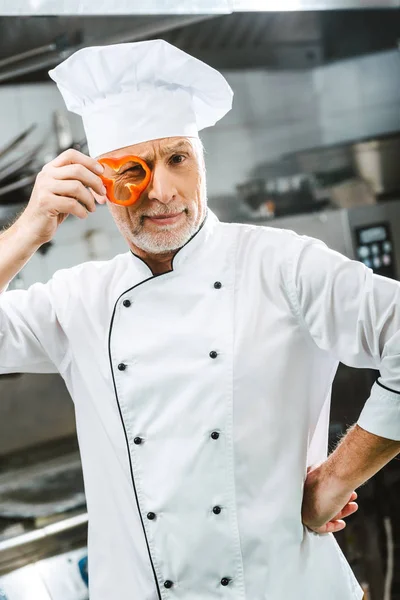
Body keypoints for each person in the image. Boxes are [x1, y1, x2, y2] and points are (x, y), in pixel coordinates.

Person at [0, 39, 399, 600]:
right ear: (102, 185)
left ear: (200, 162)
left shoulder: (281, 265)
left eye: (178, 159)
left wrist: (336, 479)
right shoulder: (80, 300)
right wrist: (27, 231)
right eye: (133, 170)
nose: (162, 191)